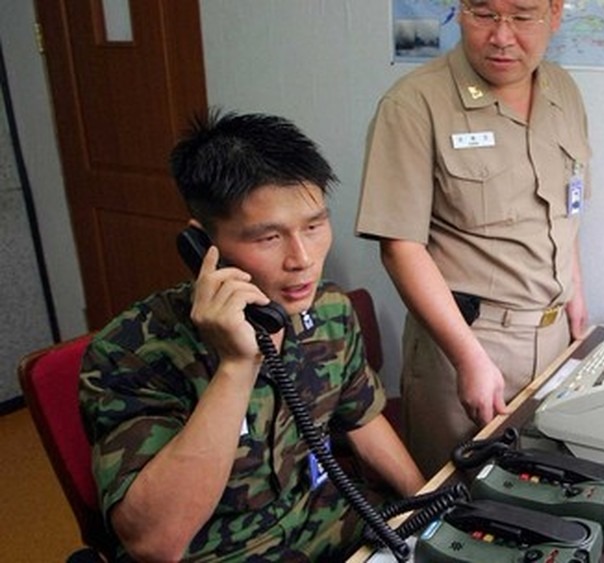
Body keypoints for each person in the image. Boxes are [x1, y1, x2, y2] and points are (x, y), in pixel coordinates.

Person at [79, 111, 425, 562]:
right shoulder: (130, 352)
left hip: (329, 528)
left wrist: (430, 510)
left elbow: (361, 416)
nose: (302, 259)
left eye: (313, 226)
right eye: (268, 238)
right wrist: (236, 365)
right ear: (202, 245)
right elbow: (155, 542)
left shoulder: (329, 310)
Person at [356, 0, 591, 477]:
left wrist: (576, 298)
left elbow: (566, 209)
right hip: (467, 347)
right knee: (457, 499)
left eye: (521, 16)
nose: (502, 37)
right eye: (484, 14)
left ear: (554, 14)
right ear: (461, 11)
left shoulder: (562, 90)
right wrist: (469, 357)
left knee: (540, 493)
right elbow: (399, 247)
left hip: (554, 340)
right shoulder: (414, 104)